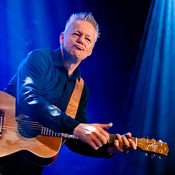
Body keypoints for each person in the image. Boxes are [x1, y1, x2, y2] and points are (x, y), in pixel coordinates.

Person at [1, 12, 137, 174]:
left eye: (88, 39)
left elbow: (75, 140)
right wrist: (76, 127)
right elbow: (28, 99)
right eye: (76, 34)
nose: (81, 41)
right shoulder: (39, 58)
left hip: (28, 168)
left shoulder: (81, 89)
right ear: (62, 38)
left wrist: (109, 148)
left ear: (91, 50)